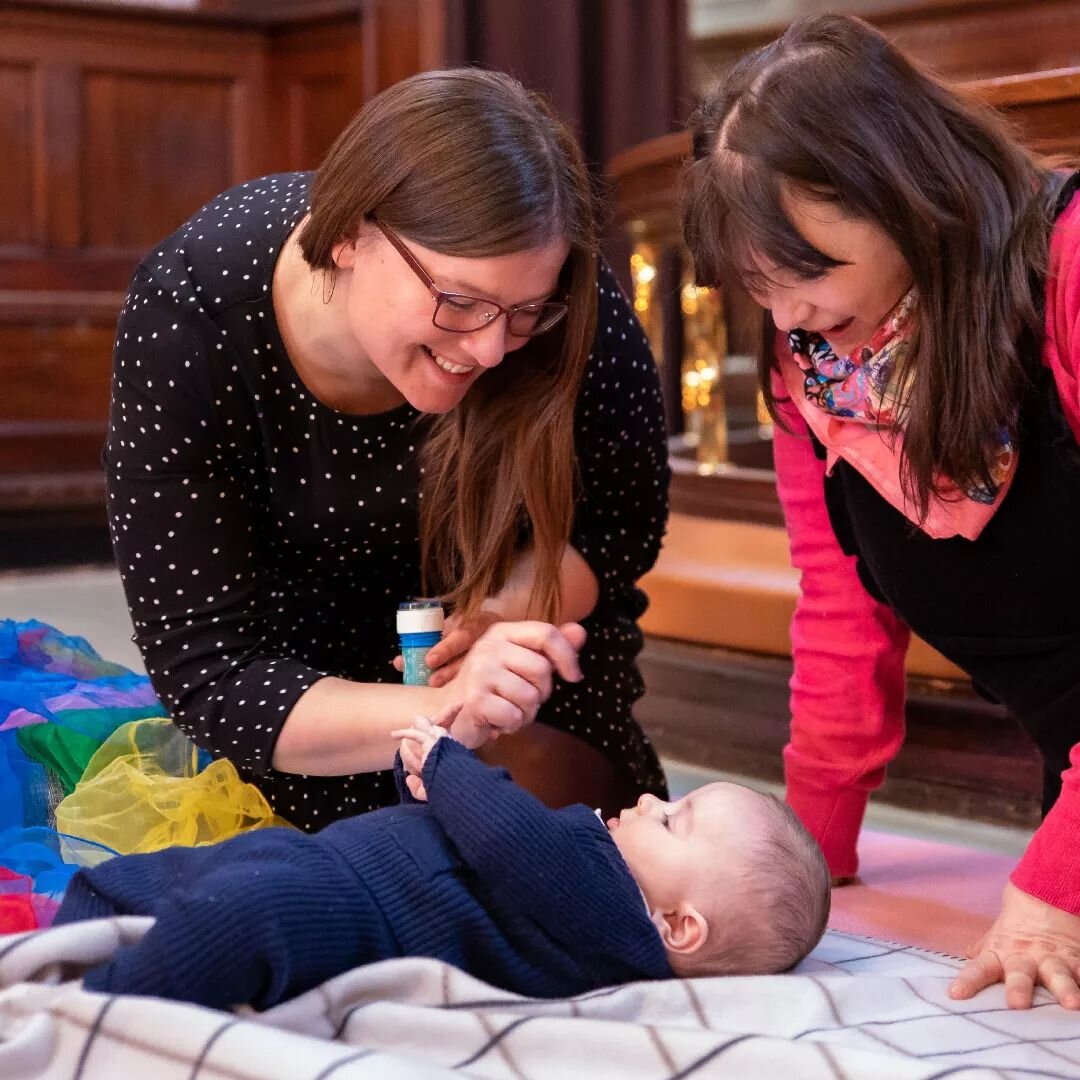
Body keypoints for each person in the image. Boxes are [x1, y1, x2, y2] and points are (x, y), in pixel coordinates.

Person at [104, 67, 670, 827]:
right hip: (305, 708)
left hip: (520, 670)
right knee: (342, 881)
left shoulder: (564, 299)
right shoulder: (195, 316)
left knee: (557, 860)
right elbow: (211, 670)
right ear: (346, 235)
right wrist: (438, 708)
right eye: (459, 302)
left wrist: (499, 622)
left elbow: (619, 530)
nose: (495, 349)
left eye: (524, 313)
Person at [681, 13, 1080, 1011]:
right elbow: (841, 608)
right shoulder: (817, 366)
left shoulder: (1066, 269)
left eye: (805, 271)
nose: (787, 319)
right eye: (757, 286)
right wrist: (803, 858)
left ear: (904, 193)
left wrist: (1057, 880)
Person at [53, 705, 831, 1010]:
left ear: (679, 927)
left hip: (350, 908)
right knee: (153, 878)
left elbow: (506, 837)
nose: (655, 802)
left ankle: (96, 1012)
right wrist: (424, 787)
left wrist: (452, 765)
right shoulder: (592, 886)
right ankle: (64, 948)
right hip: (334, 862)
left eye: (675, 822)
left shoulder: (611, 911)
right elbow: (475, 846)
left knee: (234, 920)